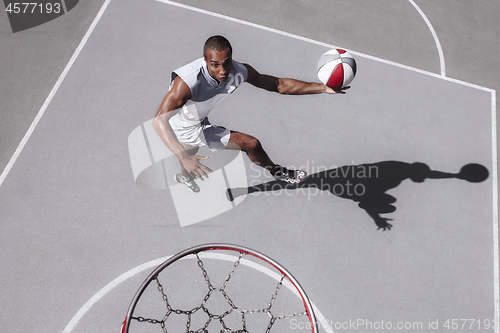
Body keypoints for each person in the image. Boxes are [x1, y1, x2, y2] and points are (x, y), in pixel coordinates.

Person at [153, 35, 347, 193]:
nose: (223, 71)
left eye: (226, 63)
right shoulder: (187, 83)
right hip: (182, 127)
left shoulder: (238, 71)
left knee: (242, 146)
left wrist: (321, 87)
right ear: (205, 61)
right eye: (215, 65)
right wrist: (182, 156)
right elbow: (159, 121)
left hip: (198, 120)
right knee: (200, 153)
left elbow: (279, 85)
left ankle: (184, 176)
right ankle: (185, 171)